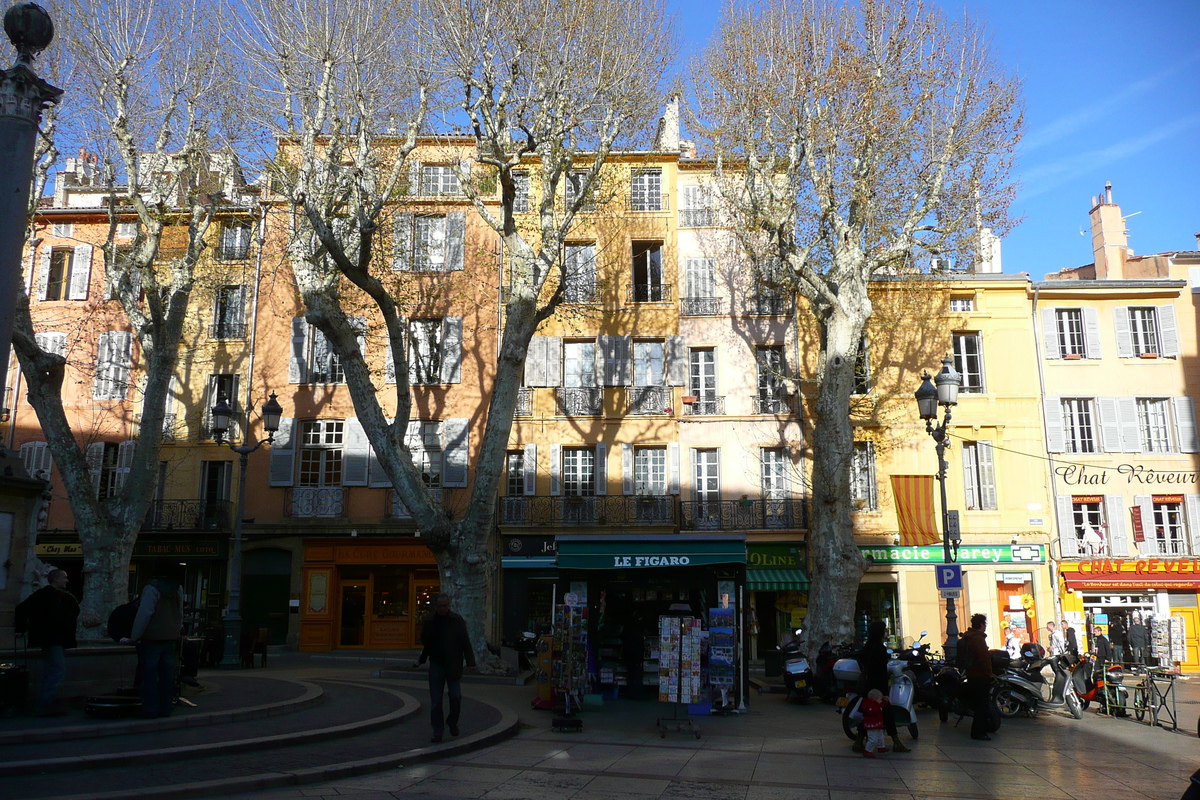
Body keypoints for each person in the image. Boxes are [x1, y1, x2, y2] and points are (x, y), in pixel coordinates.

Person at [14, 569, 79, 716]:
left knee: (53, 671)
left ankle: (46, 702)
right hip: (52, 639)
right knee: (57, 671)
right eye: (65, 578)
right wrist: (20, 628)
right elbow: (22, 609)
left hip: (53, 639)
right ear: (56, 579)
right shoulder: (47, 595)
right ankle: (45, 703)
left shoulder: (54, 595)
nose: (67, 581)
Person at [121, 573, 183, 718]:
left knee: (149, 675)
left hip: (152, 637)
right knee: (167, 676)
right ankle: (165, 707)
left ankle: (150, 708)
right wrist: (176, 630)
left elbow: (145, 613)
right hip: (170, 636)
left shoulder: (151, 588)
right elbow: (179, 612)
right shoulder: (177, 588)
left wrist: (135, 636)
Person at [416, 593, 476, 743]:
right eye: (440, 606)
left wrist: (471, 662)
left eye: (445, 606)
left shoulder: (456, 621)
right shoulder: (430, 621)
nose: (443, 609)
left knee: (456, 697)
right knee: (436, 701)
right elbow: (426, 643)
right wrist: (422, 659)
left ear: (448, 606)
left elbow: (465, 642)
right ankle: (438, 731)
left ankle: (452, 722)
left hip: (453, 665)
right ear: (435, 607)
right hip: (436, 664)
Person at [854, 620, 910, 753]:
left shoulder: (867, 646)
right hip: (878, 686)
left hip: (868, 685)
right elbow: (880, 670)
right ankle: (896, 742)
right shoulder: (880, 647)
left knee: (869, 712)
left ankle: (859, 740)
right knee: (886, 712)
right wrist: (884, 692)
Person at [961, 613, 993, 741]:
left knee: (978, 703)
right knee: (982, 704)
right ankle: (978, 732)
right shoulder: (978, 639)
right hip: (980, 675)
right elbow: (984, 658)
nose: (985, 626)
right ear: (981, 625)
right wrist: (989, 673)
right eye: (984, 624)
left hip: (971, 674)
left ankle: (980, 729)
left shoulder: (968, 637)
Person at [859, 688, 889, 758]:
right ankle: (868, 751)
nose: (881, 701)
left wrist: (885, 701)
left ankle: (881, 746)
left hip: (876, 724)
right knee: (873, 739)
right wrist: (879, 707)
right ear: (875, 699)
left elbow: (881, 704)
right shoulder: (871, 706)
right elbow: (873, 710)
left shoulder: (875, 704)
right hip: (872, 725)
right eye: (880, 699)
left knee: (880, 735)